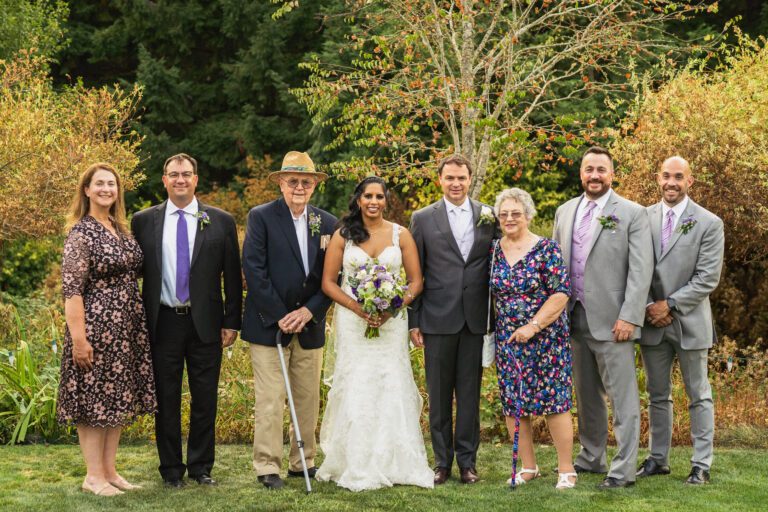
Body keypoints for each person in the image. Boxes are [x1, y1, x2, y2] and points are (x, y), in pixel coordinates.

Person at [131, 153, 242, 488]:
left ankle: (200, 466)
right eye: (174, 174)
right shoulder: (143, 221)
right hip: (162, 322)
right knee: (166, 399)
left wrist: (232, 321)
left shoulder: (220, 221)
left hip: (205, 322)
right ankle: (171, 470)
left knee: (204, 398)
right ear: (164, 180)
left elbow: (232, 276)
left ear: (196, 180)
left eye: (186, 174)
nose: (180, 179)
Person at [316, 176, 433, 491]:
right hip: (354, 323)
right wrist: (358, 309)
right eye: (368, 196)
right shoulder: (343, 235)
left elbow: (416, 281)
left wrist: (392, 309)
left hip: (391, 324)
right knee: (357, 384)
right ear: (358, 199)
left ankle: (395, 462)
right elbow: (328, 282)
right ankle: (354, 461)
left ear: (386, 201)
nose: (373, 202)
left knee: (390, 383)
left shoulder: (401, 234)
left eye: (379, 196)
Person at [552, 146, 653, 489]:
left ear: (612, 174)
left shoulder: (633, 213)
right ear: (581, 173)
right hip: (573, 317)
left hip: (614, 322)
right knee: (586, 396)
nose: (594, 175)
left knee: (623, 400)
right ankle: (592, 457)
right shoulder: (565, 211)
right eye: (588, 169)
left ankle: (623, 470)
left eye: (601, 170)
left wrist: (630, 316)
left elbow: (641, 271)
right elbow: (557, 266)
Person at [57, 163, 157, 496]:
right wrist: (79, 340)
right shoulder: (81, 233)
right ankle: (93, 477)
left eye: (111, 184)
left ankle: (110, 472)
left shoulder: (119, 228)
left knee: (117, 398)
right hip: (96, 329)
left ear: (118, 191)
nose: (106, 189)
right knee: (94, 401)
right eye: (99, 183)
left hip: (126, 329)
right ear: (86, 190)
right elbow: (72, 291)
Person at [240, 151, 337, 490]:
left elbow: (333, 276)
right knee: (270, 399)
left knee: (307, 398)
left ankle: (303, 461)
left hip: (310, 324)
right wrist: (281, 315)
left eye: (306, 182)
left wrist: (309, 311)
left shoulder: (327, 223)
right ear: (281, 183)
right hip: (269, 325)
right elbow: (254, 269)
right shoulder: (261, 217)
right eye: (293, 181)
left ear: (314, 186)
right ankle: (267, 466)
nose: (299, 187)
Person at [409, 154, 498, 485]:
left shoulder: (488, 215)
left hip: (475, 320)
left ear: (470, 179)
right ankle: (442, 462)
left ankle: (467, 463)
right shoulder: (422, 218)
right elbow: (415, 272)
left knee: (470, 397)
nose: (456, 183)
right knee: (439, 396)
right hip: (436, 318)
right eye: (450, 178)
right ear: (440, 180)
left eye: (461, 178)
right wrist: (414, 321)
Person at [636, 156, 724, 486]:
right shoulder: (642, 217)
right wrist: (648, 305)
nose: (671, 182)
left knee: (698, 395)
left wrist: (669, 305)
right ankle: (658, 459)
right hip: (651, 322)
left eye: (678, 176)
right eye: (666, 176)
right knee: (657, 395)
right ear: (658, 179)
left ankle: (701, 464)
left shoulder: (709, 222)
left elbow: (707, 278)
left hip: (689, 322)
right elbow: (633, 267)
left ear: (690, 181)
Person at [489, 188, 576, 490]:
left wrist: (534, 325)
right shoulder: (493, 250)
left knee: (555, 401)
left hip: (547, 337)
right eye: (504, 214)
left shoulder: (547, 248)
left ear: (528, 215)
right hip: (509, 340)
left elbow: (561, 293)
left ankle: (566, 469)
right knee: (514, 403)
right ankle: (528, 467)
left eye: (516, 213)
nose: (509, 218)